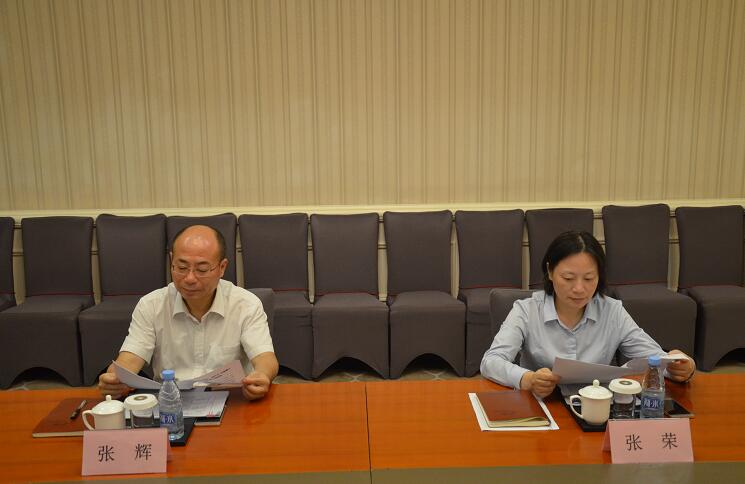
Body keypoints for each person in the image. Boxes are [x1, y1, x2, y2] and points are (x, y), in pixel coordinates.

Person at [480, 230, 696, 398]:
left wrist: (680, 368)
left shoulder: (612, 311)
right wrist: (527, 379)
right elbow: (491, 361)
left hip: (599, 407)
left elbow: (654, 358)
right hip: (543, 407)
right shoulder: (526, 310)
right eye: (568, 278)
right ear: (550, 271)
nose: (579, 289)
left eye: (589, 278)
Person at [99, 224, 279, 401]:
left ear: (222, 268)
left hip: (231, 401)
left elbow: (265, 358)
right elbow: (130, 358)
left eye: (202, 269)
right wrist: (115, 378)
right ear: (172, 261)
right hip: (170, 402)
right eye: (182, 267)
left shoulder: (246, 304)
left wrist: (262, 376)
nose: (190, 278)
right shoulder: (151, 305)